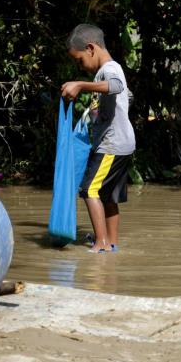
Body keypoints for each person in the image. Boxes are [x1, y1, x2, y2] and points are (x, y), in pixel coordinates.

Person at [61, 24, 135, 253]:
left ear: (91, 48)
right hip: (122, 142)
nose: (80, 66)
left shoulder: (109, 69)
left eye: (79, 60)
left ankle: (101, 244)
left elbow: (116, 86)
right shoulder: (107, 71)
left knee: (88, 190)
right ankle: (111, 242)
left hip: (112, 144)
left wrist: (81, 85)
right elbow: (127, 95)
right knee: (107, 194)